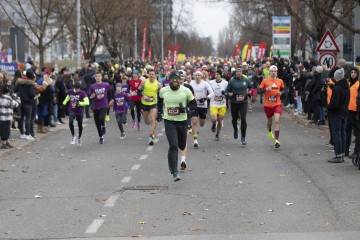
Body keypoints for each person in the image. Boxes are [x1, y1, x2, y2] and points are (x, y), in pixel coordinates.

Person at [158, 71, 196, 182]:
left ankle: (176, 166)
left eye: (176, 79)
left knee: (182, 145)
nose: (175, 81)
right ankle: (174, 171)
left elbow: (193, 103)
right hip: (169, 121)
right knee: (173, 146)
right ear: (170, 80)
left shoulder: (186, 91)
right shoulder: (164, 90)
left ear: (179, 80)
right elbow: (160, 99)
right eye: (173, 79)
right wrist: (160, 112)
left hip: (182, 121)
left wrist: (187, 109)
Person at [257, 65, 285, 148]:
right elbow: (259, 91)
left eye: (275, 71)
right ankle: (269, 130)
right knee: (270, 122)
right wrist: (266, 89)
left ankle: (276, 140)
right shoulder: (265, 81)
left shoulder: (280, 81)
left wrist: (281, 93)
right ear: (269, 72)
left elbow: (284, 89)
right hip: (268, 105)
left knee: (276, 121)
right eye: (272, 71)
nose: (273, 73)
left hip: (277, 104)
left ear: (277, 72)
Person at [327, 68, 350, 163]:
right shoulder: (346, 86)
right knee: (342, 134)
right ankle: (342, 154)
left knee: (337, 134)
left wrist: (328, 107)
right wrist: (333, 87)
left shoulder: (337, 89)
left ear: (337, 77)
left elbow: (334, 103)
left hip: (336, 113)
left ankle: (338, 155)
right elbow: (343, 96)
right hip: (344, 112)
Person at [225, 67, 252, 145]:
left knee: (243, 118)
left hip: (243, 102)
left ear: (242, 72)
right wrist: (230, 94)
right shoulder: (232, 81)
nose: (239, 73)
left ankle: (243, 137)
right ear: (235, 73)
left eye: (240, 72)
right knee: (234, 119)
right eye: (237, 72)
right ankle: (235, 129)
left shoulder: (246, 80)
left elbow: (250, 87)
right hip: (234, 102)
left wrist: (249, 92)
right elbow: (226, 92)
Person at [190, 71, 214, 148]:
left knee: (202, 124)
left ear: (201, 77)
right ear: (194, 76)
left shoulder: (205, 83)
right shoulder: (191, 83)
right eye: (196, 75)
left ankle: (196, 129)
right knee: (194, 121)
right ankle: (195, 140)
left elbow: (212, 93)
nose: (197, 76)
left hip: (203, 105)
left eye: (199, 75)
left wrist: (205, 98)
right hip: (194, 105)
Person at [138, 68, 162, 145]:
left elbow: (160, 95)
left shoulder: (158, 84)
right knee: (147, 122)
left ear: (155, 75)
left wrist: (161, 109)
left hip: (153, 104)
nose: (151, 75)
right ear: (148, 75)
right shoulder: (144, 82)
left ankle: (151, 138)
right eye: (150, 74)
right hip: (145, 104)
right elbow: (138, 91)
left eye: (153, 74)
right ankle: (153, 125)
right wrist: (143, 96)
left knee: (152, 120)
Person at [88, 71, 114, 144]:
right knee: (97, 123)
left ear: (101, 77)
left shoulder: (106, 85)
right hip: (95, 106)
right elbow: (89, 96)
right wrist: (91, 97)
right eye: (97, 76)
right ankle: (101, 137)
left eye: (99, 76)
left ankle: (104, 125)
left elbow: (112, 90)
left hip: (104, 105)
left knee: (101, 118)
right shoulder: (92, 86)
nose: (98, 78)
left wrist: (112, 99)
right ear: (95, 78)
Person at [62, 81, 89, 146]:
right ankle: (73, 136)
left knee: (80, 125)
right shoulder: (70, 92)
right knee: (70, 122)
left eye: (79, 88)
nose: (77, 90)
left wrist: (79, 103)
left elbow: (87, 102)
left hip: (79, 111)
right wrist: (63, 104)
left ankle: (79, 137)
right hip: (72, 110)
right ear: (74, 88)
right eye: (76, 89)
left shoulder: (82, 93)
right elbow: (67, 99)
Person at [0, 73, 19, 149]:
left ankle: (5, 142)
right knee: (6, 131)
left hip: (1, 117)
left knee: (3, 131)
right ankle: (4, 143)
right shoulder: (7, 98)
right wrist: (17, 101)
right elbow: (14, 104)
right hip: (6, 117)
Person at [209, 70, 228, 141]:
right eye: (215, 74)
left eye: (217, 74)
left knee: (219, 119)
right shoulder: (211, 82)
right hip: (213, 103)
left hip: (222, 103)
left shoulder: (225, 83)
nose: (216, 75)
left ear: (220, 75)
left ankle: (217, 134)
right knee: (214, 118)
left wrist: (225, 93)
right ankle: (214, 124)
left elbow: (229, 91)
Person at [346, 67, 360, 159]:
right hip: (347, 110)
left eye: (355, 72)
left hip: (355, 111)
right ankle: (345, 150)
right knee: (346, 131)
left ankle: (356, 151)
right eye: (352, 72)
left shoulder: (358, 84)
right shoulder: (348, 83)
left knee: (357, 132)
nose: (353, 74)